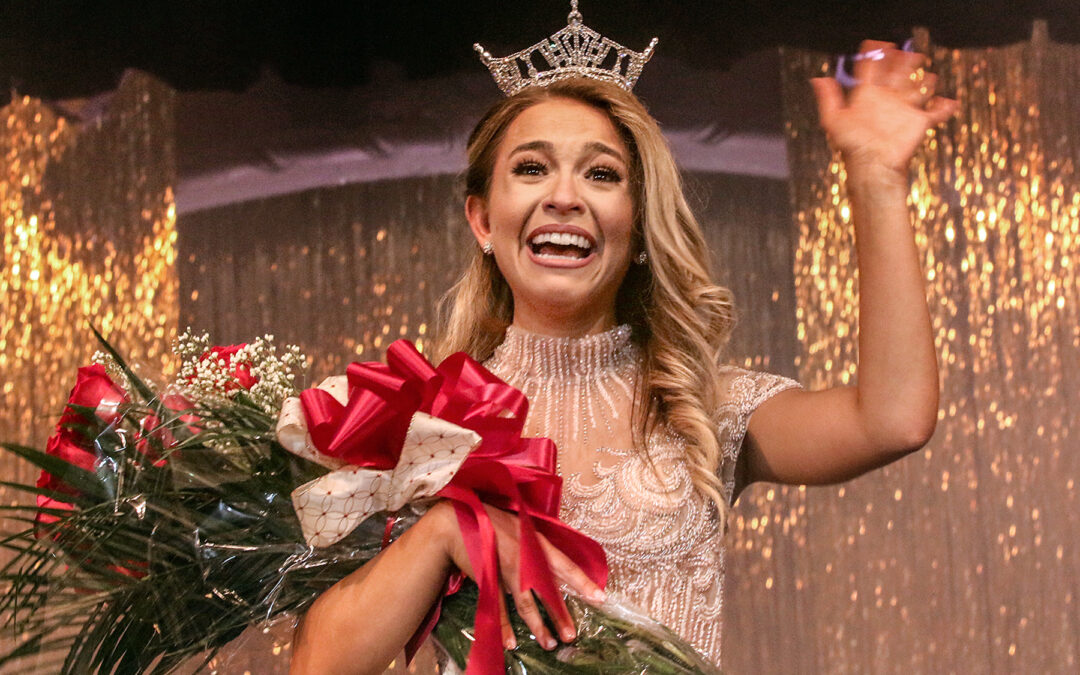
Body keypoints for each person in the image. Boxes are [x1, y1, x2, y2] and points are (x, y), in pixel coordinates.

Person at [289, 31, 958, 675]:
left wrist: (875, 176)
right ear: (483, 220)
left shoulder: (703, 408)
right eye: (530, 168)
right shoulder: (423, 424)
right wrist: (444, 532)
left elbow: (893, 420)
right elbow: (318, 664)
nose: (564, 197)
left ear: (637, 225)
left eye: (601, 174)